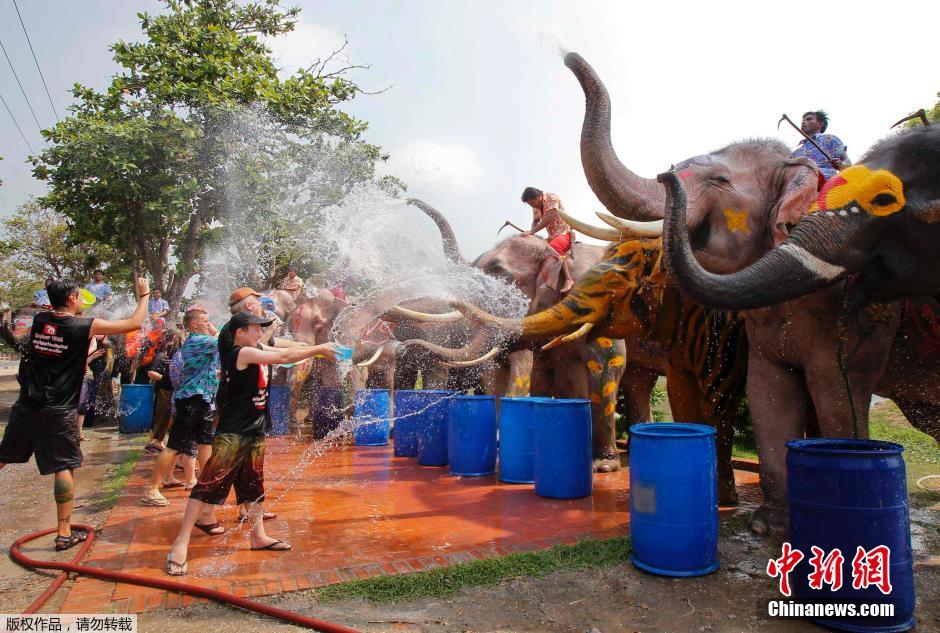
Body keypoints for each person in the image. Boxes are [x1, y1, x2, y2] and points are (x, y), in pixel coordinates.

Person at [165, 311, 338, 575]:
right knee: (208, 484)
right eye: (255, 328)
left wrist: (318, 349)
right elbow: (283, 358)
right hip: (234, 433)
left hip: (255, 430)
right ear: (240, 333)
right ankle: (180, 542)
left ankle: (258, 536)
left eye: (261, 328)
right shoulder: (241, 353)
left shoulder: (256, 348)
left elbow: (288, 350)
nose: (260, 332)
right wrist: (318, 349)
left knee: (253, 485)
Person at [0, 276, 150, 550]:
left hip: (28, 404)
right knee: (63, 467)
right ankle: (64, 534)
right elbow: (135, 323)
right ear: (71, 299)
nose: (83, 301)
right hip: (59, 409)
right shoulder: (83, 326)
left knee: (3, 456)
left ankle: (64, 532)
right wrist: (144, 295)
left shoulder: (41, 320)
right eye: (80, 296)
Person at [142, 309, 220, 510]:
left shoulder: (202, 342)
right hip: (190, 400)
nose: (208, 324)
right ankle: (151, 489)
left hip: (203, 399)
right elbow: (225, 341)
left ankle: (206, 484)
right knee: (174, 446)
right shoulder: (198, 341)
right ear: (193, 324)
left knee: (205, 442)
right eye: (205, 320)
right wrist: (215, 331)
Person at [520, 187, 575, 293]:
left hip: (564, 233)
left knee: (554, 248)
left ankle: (568, 279)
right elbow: (535, 221)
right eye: (530, 205)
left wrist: (532, 231)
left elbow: (549, 218)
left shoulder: (551, 197)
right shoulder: (536, 207)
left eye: (532, 203)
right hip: (552, 237)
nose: (533, 206)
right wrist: (531, 234)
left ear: (538, 196)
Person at [790, 110, 851, 180]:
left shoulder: (830, 139)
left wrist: (841, 165)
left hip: (825, 180)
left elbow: (848, 163)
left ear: (820, 124)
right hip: (797, 181)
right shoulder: (796, 152)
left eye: (809, 119)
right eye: (803, 120)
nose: (803, 122)